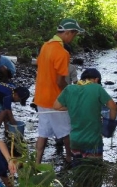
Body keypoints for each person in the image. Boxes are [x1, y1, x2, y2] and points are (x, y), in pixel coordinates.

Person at [53, 68, 117, 187]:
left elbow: (55, 106)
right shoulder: (96, 88)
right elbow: (113, 107)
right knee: (91, 174)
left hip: (75, 141)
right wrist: (109, 124)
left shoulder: (69, 89)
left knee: (80, 173)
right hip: (93, 141)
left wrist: (71, 107)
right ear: (95, 79)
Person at [34, 18, 85, 165]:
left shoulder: (45, 46)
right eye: (74, 35)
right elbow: (59, 81)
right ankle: (70, 158)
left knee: (42, 132)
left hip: (40, 97)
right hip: (55, 99)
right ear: (68, 33)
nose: (73, 38)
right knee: (67, 130)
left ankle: (37, 163)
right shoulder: (62, 53)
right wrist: (71, 93)